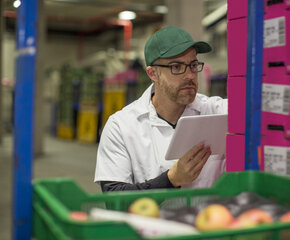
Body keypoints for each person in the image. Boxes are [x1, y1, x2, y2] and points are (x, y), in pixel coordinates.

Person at [94, 26, 227, 192]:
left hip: (211, 218)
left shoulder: (219, 112)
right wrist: (171, 179)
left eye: (193, 65)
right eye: (176, 67)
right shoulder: (121, 126)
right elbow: (114, 196)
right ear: (153, 74)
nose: (190, 75)